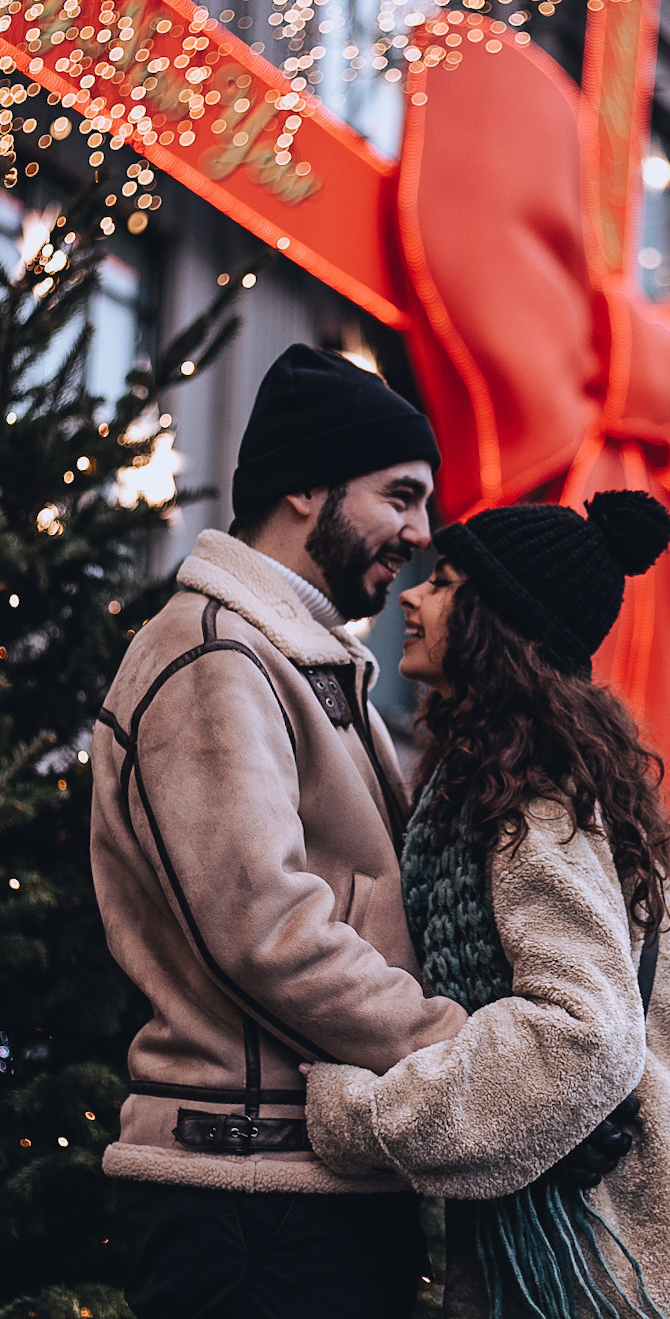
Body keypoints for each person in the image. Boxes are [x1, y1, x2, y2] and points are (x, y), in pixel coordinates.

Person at [304, 491, 670, 1319]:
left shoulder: (528, 797)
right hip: (659, 1244)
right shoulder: (538, 777)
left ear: (496, 622)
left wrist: (361, 1116)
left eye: (448, 583)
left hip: (632, 1262)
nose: (413, 596)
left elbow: (581, 1037)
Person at [91, 344, 468, 1319]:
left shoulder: (290, 657)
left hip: (299, 1189)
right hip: (250, 1205)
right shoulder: (214, 653)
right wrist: (461, 1048)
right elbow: (266, 927)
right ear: (308, 483)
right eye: (400, 494)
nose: (419, 532)